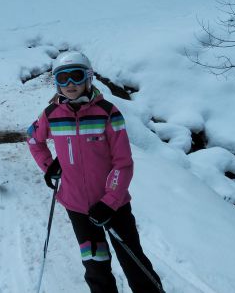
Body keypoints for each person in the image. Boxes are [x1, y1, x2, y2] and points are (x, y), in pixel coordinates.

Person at [27, 51, 163, 293]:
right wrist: (49, 167)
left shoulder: (108, 113)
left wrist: (109, 202)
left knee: (133, 260)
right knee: (95, 263)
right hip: (77, 206)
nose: (70, 84)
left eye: (76, 76)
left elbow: (123, 163)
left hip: (114, 205)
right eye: (63, 78)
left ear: (88, 77)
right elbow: (33, 139)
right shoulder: (51, 115)